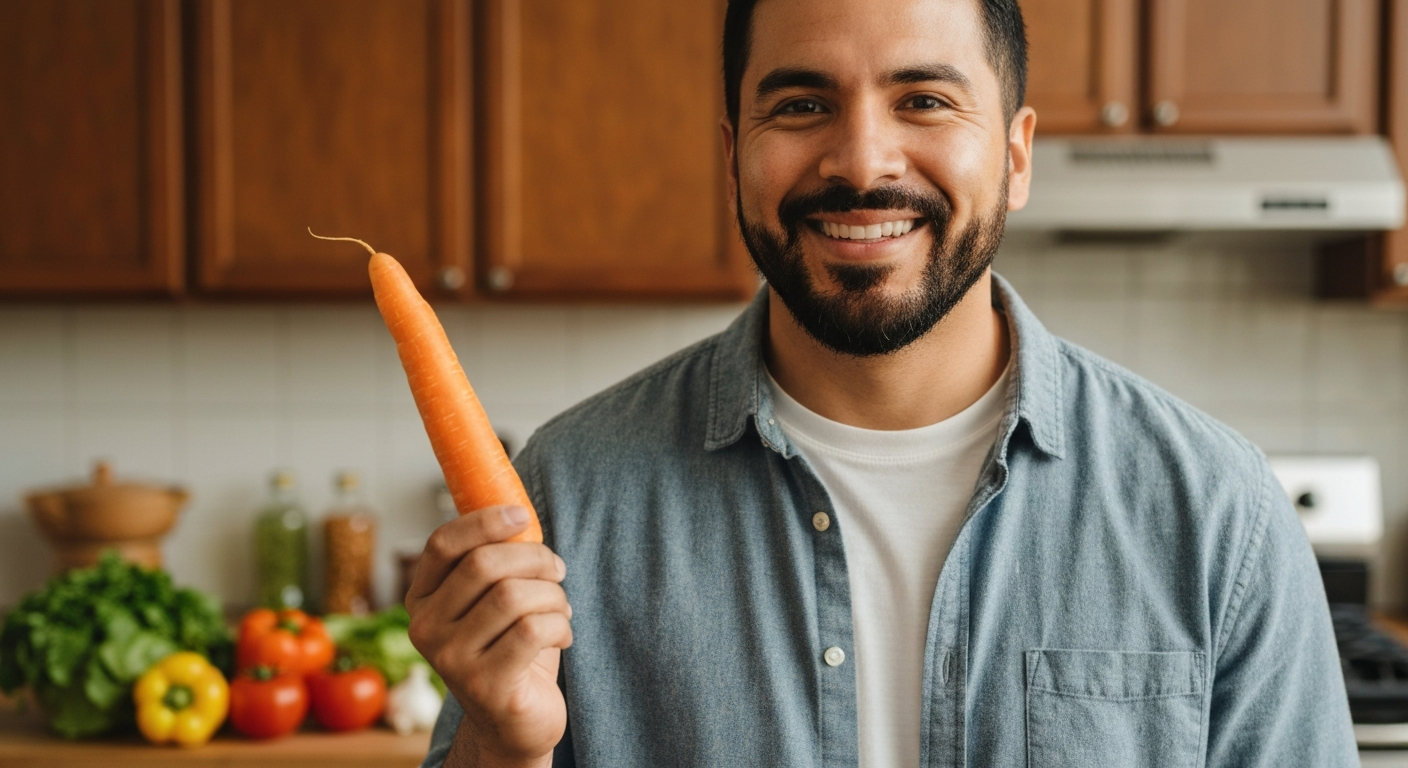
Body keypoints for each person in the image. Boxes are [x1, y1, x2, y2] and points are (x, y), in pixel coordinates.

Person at [409, 0, 1358, 765]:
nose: (862, 162)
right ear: (732, 151)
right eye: (802, 105)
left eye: (926, 101)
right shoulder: (570, 497)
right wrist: (501, 749)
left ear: (1017, 154)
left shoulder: (1218, 513)